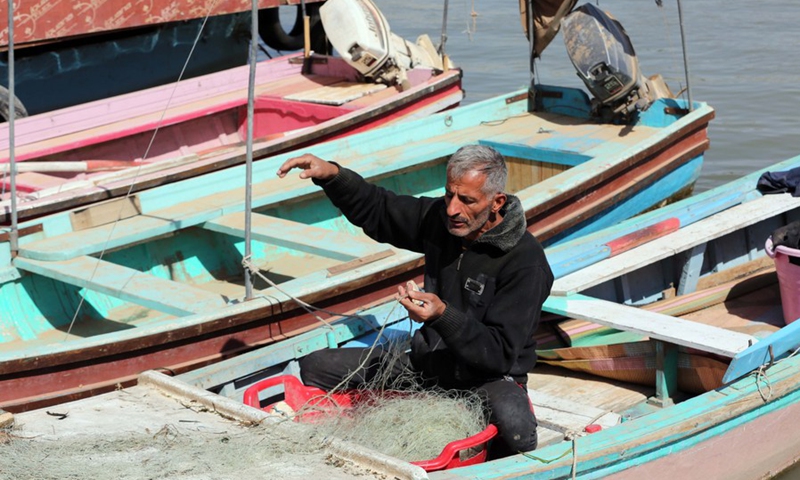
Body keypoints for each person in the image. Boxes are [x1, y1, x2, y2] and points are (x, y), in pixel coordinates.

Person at [276, 144, 554, 457]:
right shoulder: (444, 221)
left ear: (496, 202)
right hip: (430, 363)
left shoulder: (525, 263)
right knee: (314, 367)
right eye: (449, 194)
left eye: (467, 200)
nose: (451, 209)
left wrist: (442, 316)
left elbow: (499, 354)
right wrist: (332, 176)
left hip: (488, 376)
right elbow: (381, 210)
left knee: (515, 427)